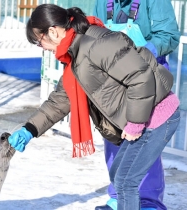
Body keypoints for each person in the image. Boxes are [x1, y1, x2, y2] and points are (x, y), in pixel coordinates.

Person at [8, 4, 180, 210]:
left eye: (39, 42)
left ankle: (150, 204)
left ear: (52, 32)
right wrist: (30, 129)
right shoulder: (74, 52)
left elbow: (141, 78)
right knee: (120, 176)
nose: (42, 48)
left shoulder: (96, 44)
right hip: (134, 114)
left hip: (156, 115)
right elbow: (61, 100)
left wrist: (135, 123)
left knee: (126, 181)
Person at [92, 0, 181, 209]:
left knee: (146, 143)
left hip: (147, 80)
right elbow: (94, 33)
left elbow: (169, 36)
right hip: (113, 83)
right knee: (114, 139)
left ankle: (149, 201)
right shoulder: (102, 2)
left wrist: (144, 50)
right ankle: (117, 196)